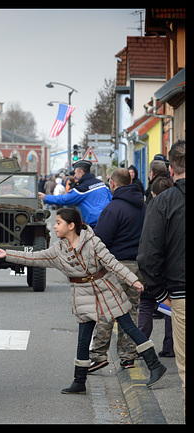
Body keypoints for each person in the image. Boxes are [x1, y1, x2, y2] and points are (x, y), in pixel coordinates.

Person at [0, 208, 167, 393]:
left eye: (59, 222)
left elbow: (112, 263)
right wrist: (7, 254)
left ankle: (155, 366)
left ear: (71, 225)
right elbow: (34, 257)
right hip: (82, 294)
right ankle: (79, 382)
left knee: (129, 327)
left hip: (106, 289)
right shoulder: (58, 250)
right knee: (83, 339)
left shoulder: (93, 242)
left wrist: (133, 280)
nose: (55, 226)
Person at [137, 140, 185, 401]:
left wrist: (159, 293)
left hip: (179, 293)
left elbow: (147, 255)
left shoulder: (162, 202)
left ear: (172, 170)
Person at [88, 168, 146, 372]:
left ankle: (99, 355)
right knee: (130, 312)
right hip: (137, 267)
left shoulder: (113, 209)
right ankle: (128, 356)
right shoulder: (143, 207)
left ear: (112, 183)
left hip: (115, 266)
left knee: (107, 311)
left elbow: (100, 240)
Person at [137, 176, 174, 358]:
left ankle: (142, 347)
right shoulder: (176, 208)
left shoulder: (150, 209)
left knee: (146, 304)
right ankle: (170, 346)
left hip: (152, 265)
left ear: (153, 194)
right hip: (171, 267)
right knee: (169, 307)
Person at [39, 160, 112, 228]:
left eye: (76, 173)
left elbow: (65, 199)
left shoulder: (82, 189)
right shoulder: (102, 184)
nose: (75, 176)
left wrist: (45, 197)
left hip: (96, 224)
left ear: (81, 172)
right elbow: (111, 198)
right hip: (110, 219)